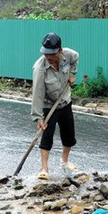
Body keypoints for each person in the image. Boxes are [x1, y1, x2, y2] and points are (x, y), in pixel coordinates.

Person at [31, 32, 79, 180]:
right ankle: (44, 168)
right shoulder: (40, 68)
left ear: (60, 50)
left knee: (68, 135)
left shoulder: (68, 55)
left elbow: (76, 58)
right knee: (47, 136)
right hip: (48, 105)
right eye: (46, 53)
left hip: (64, 101)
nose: (48, 57)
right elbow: (37, 94)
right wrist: (38, 118)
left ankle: (64, 161)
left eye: (51, 54)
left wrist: (72, 74)